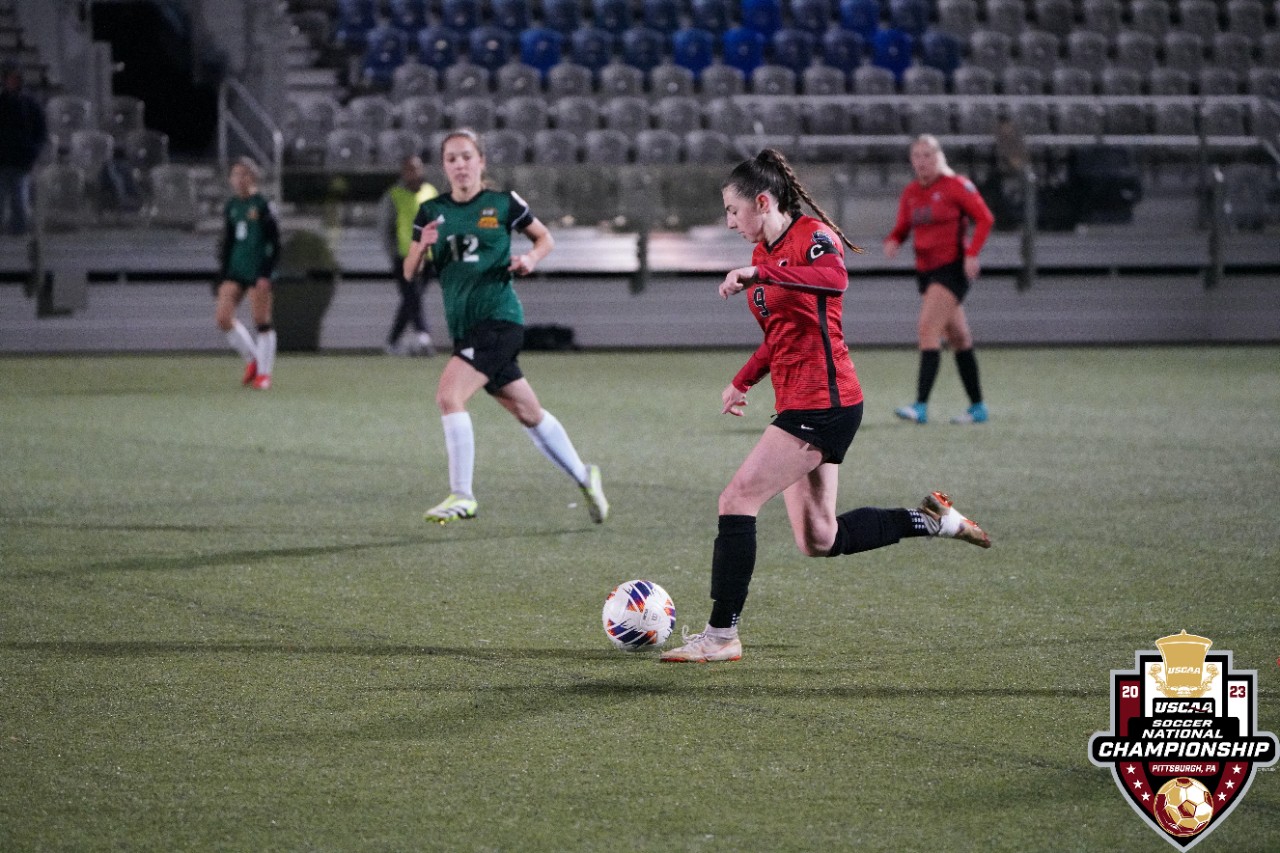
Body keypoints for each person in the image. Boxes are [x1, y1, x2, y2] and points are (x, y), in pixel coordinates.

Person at [659, 149, 992, 664]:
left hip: (825, 403)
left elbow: (836, 280)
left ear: (763, 201)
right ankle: (930, 519)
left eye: (732, 210)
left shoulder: (811, 236)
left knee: (737, 499)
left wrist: (759, 275)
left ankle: (721, 636)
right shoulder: (767, 256)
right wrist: (742, 380)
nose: (729, 221)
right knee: (820, 537)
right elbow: (781, 335)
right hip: (803, 403)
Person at [402, 129, 608, 525]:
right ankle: (586, 476)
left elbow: (544, 238)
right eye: (451, 159)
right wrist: (421, 244)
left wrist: (530, 259)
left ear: (481, 161)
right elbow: (411, 272)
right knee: (528, 412)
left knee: (449, 396)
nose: (460, 165)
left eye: (466, 157)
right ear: (444, 167)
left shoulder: (502, 202)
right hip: (466, 329)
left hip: (499, 320)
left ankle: (463, 496)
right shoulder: (431, 211)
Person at [884, 134, 995, 426]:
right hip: (926, 272)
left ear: (939, 157)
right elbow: (902, 227)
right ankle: (978, 408)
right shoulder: (911, 192)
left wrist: (972, 253)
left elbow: (985, 218)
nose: (922, 162)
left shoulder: (956, 186)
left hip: (951, 269)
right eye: (917, 156)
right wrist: (894, 240)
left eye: (928, 155)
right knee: (959, 338)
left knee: (927, 329)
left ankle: (920, 406)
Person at [215, 157, 280, 390]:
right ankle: (252, 360)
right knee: (223, 318)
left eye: (242, 174)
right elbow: (229, 240)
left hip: (257, 270)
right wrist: (223, 272)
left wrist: (266, 273)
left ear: (252, 177)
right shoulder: (232, 206)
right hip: (235, 269)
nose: (237, 179)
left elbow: (274, 242)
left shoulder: (262, 205)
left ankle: (264, 374)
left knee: (262, 321)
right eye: (234, 175)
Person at [377, 154, 438, 355]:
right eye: (410, 169)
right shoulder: (394, 195)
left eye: (417, 168)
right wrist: (392, 253)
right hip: (405, 256)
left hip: (428, 256)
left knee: (411, 299)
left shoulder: (430, 192)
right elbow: (385, 227)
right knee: (412, 296)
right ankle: (423, 335)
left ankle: (392, 341)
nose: (414, 172)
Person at [0, 61, 47, 236]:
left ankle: (18, 233)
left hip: (21, 161)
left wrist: (33, 152)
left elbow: (40, 132)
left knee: (20, 200)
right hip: (3, 161)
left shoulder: (30, 105)